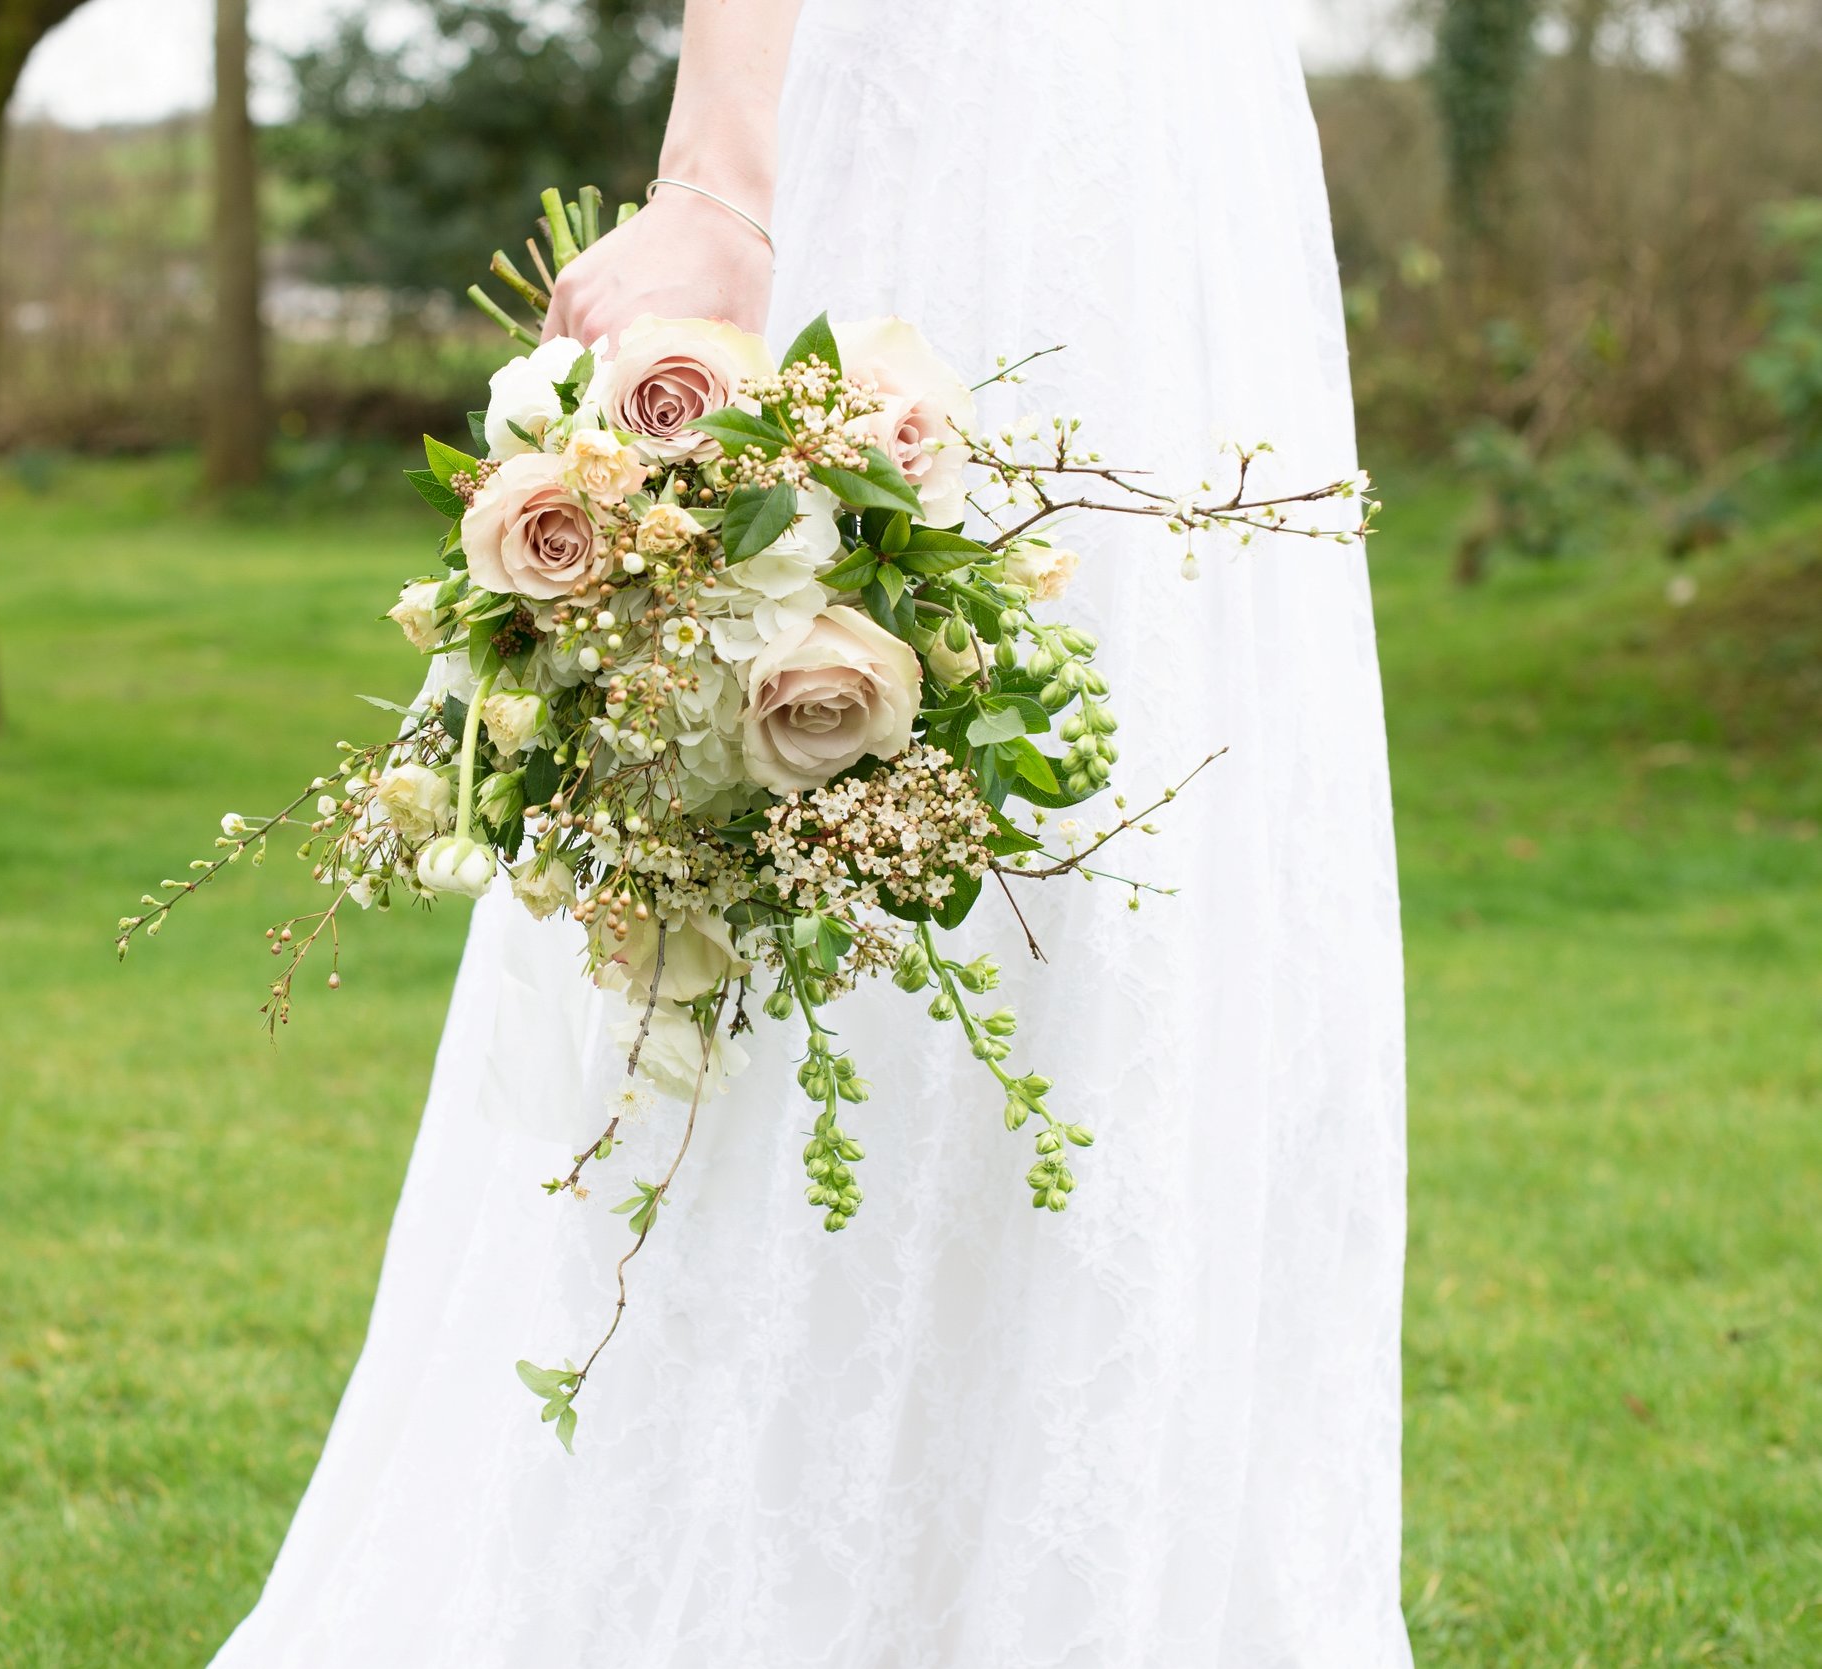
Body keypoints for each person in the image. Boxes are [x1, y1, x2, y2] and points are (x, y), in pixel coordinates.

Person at [214, 1, 1411, 1663]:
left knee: (1126, 796)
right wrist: (722, 184)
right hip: (991, 113)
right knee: (841, 783)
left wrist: (728, 178)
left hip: (1145, 129)